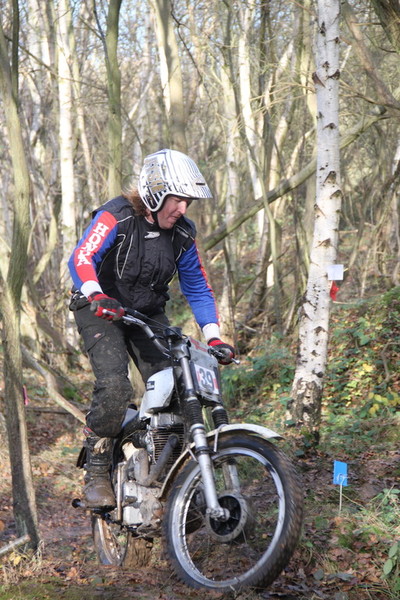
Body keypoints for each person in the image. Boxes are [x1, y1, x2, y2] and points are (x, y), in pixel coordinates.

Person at [68, 148, 235, 508]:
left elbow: (197, 286)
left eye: (188, 201)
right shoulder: (116, 216)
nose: (183, 209)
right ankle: (97, 469)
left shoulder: (183, 234)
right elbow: (82, 256)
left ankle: (168, 475)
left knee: (177, 388)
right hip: (99, 307)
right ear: (155, 192)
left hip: (147, 313)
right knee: (115, 386)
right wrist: (96, 293)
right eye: (177, 199)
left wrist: (214, 337)